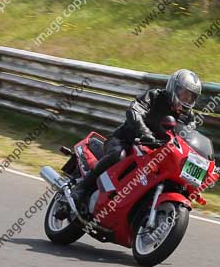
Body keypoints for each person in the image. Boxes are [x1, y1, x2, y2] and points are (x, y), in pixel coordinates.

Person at [71, 69, 202, 207]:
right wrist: (145, 133)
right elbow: (134, 111)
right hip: (127, 140)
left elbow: (189, 139)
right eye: (183, 93)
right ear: (173, 87)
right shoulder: (154, 96)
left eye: (190, 97)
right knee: (118, 155)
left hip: (156, 152)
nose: (185, 99)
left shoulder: (189, 117)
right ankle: (82, 188)